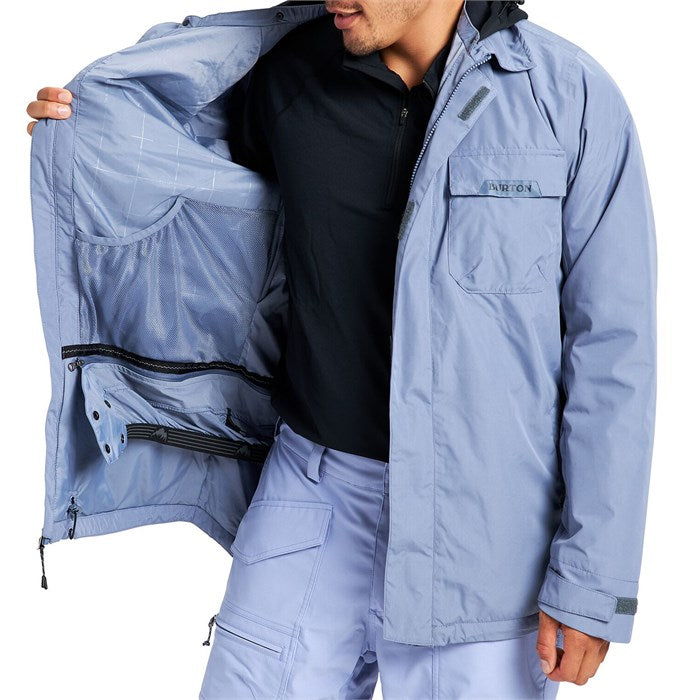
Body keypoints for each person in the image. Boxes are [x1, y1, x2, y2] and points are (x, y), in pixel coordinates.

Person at [26, 1, 657, 698]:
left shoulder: (568, 99)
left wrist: (593, 581)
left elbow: (614, 353)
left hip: (490, 534)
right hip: (312, 491)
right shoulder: (289, 77)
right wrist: (87, 131)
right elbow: (170, 156)